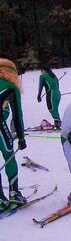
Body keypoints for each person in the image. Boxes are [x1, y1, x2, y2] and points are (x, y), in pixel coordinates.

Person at [0, 59, 27, 211]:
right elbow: (17, 116)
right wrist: (21, 138)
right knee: (8, 155)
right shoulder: (11, 87)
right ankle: (14, 193)